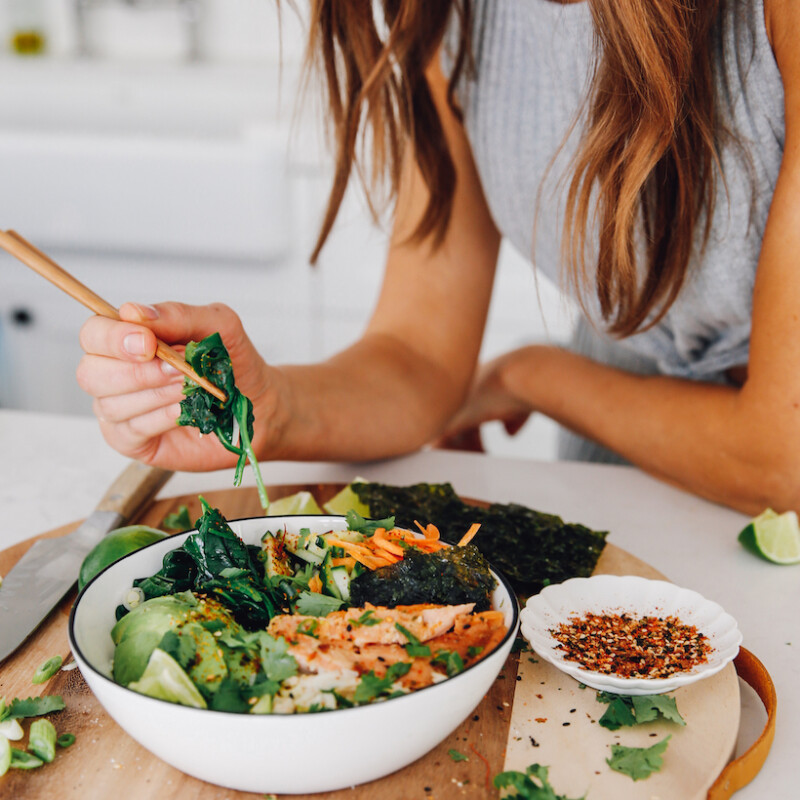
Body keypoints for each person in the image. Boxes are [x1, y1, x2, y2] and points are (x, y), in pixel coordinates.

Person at [76, 0, 800, 517]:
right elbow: (418, 352)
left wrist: (533, 375)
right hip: (635, 445)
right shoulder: (452, 16)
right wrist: (273, 409)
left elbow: (779, 460)